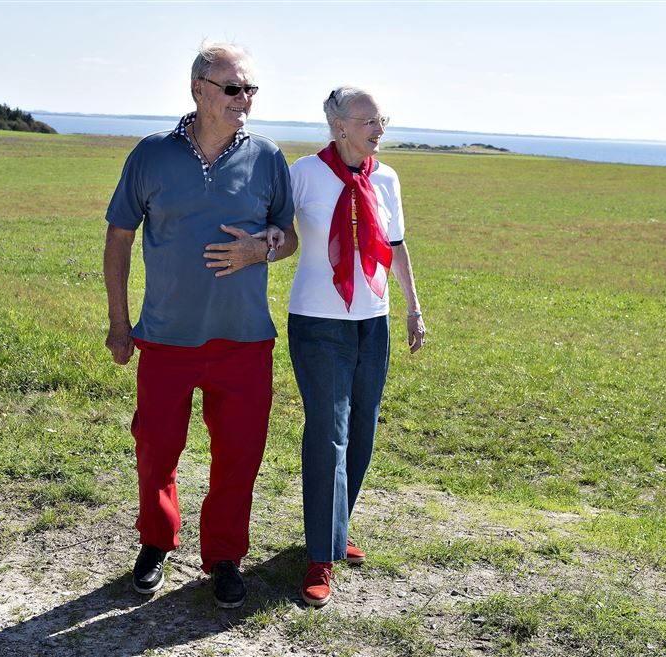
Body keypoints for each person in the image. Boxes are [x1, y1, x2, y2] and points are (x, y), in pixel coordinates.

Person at [103, 42, 296, 609]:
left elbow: (287, 236)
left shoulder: (268, 157)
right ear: (198, 90)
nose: (245, 99)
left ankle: (225, 557)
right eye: (233, 88)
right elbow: (119, 238)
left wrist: (262, 249)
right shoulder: (151, 154)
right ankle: (156, 542)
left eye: (251, 89)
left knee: (239, 456)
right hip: (166, 338)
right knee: (155, 449)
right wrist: (120, 322)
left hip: (245, 340)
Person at [286, 86, 425, 606]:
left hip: (373, 321)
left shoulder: (387, 178)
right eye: (369, 121)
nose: (379, 129)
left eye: (382, 120)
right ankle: (320, 556)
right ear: (339, 125)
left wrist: (413, 308)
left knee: (363, 427)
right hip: (318, 322)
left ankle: (336, 525)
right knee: (329, 431)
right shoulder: (303, 173)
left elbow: (396, 247)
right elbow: (278, 232)